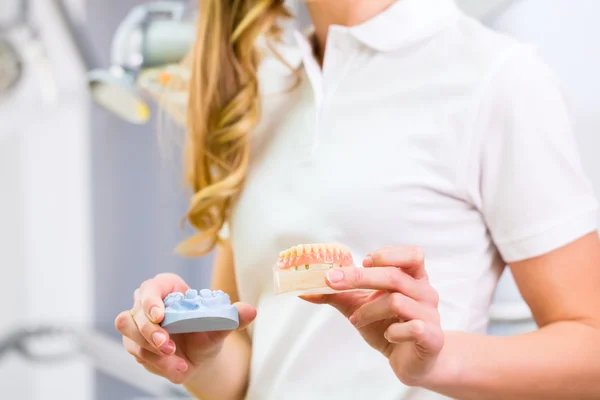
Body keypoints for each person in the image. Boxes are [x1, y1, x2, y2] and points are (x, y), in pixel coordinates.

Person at [115, 0, 600, 399]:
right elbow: (248, 364)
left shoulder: (495, 78)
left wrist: (438, 361)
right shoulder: (255, 93)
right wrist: (195, 355)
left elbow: (590, 351)